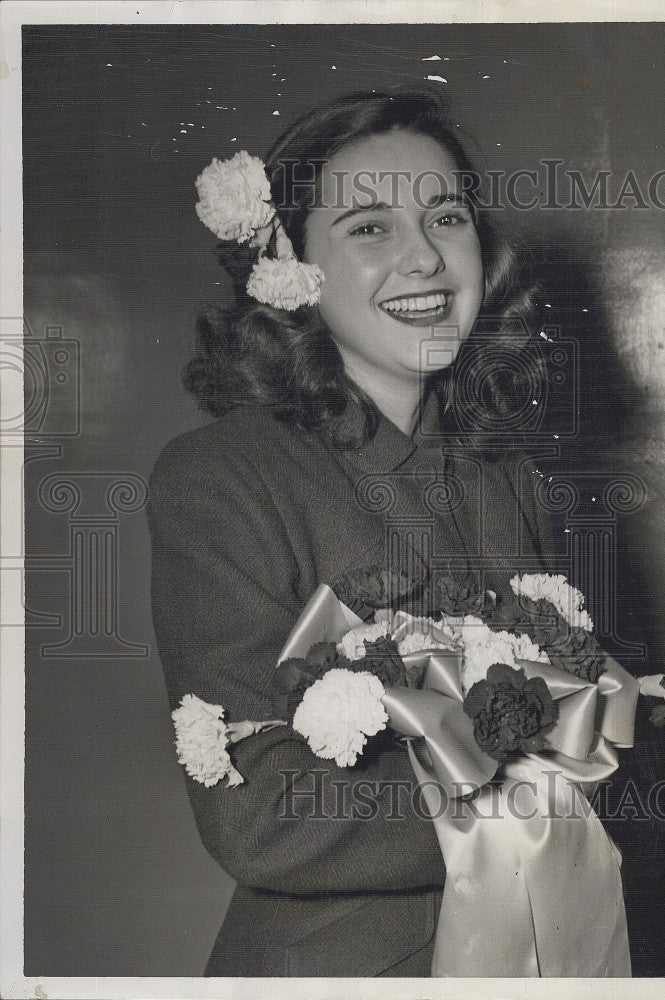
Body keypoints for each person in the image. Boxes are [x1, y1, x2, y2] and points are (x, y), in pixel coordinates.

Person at [146, 90, 558, 977]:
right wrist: (536, 794)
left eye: (446, 217)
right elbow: (260, 813)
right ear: (292, 266)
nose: (425, 257)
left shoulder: (508, 480)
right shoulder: (223, 476)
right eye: (370, 228)